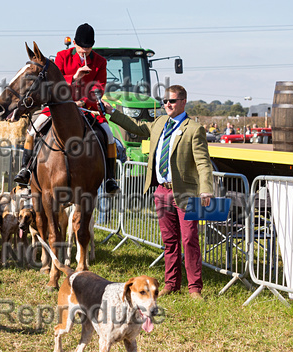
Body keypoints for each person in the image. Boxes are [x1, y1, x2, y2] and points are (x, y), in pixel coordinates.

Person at [103, 85, 214, 300]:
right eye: (165, 101)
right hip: (162, 191)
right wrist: (111, 112)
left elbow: (203, 163)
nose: (167, 105)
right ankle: (172, 283)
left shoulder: (194, 129)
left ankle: (194, 288)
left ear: (183, 102)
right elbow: (135, 126)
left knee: (190, 239)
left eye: (171, 101)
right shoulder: (160, 123)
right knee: (169, 241)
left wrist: (206, 190)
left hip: (186, 193)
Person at [13, 23, 119, 193]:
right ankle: (25, 169)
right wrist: (74, 77)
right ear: (75, 43)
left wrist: (84, 101)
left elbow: (99, 87)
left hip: (87, 107)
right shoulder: (62, 57)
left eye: (88, 48)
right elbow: (55, 83)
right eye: (81, 47)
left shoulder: (100, 62)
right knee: (33, 131)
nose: (84, 51)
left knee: (108, 134)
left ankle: (110, 179)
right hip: (59, 106)